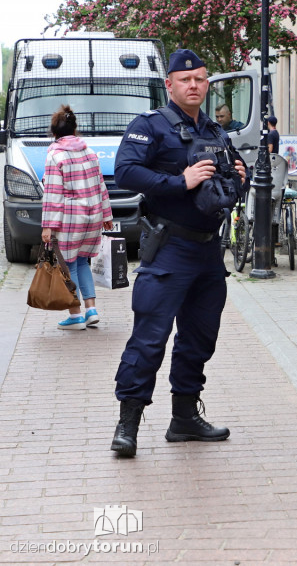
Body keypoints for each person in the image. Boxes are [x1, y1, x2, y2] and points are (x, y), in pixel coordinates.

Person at [109, 49, 248, 458]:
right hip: (169, 250)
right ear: (169, 84)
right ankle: (128, 423)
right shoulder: (150, 126)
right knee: (150, 340)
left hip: (208, 255)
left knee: (199, 340)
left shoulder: (216, 131)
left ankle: (184, 419)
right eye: (185, 80)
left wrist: (238, 177)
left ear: (207, 84)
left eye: (200, 79)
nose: (193, 86)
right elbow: (126, 172)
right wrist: (180, 181)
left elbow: (234, 172)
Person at [40, 105, 114, 330]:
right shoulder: (90, 152)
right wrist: (106, 214)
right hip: (92, 216)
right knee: (82, 261)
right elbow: (101, 185)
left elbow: (53, 193)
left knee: (67, 264)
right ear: (75, 130)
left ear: (54, 132)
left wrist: (48, 226)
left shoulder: (55, 155)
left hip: (70, 219)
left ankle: (75, 315)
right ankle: (91, 310)